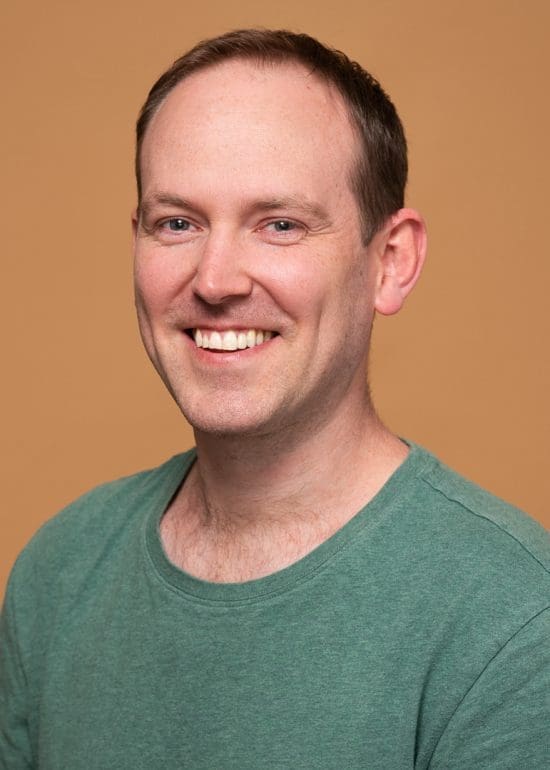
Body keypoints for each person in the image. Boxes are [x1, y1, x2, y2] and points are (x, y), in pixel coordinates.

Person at [1, 28, 548, 770]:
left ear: (390, 262)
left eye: (280, 225)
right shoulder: (58, 573)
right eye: (177, 224)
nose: (215, 280)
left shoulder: (516, 622)